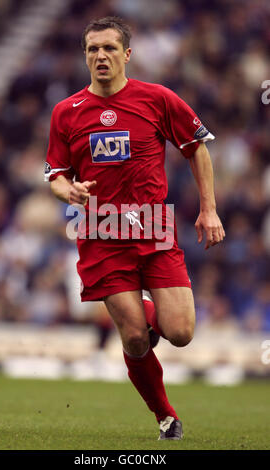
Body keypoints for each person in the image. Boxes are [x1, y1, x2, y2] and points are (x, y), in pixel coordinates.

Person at [44, 16, 225, 440]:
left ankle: (147, 317)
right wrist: (68, 192)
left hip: (154, 227)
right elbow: (55, 174)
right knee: (135, 340)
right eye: (92, 49)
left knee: (179, 333)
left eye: (109, 48)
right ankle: (166, 418)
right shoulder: (65, 112)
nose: (100, 56)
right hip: (100, 232)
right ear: (85, 56)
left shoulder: (158, 99)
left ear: (127, 54)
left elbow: (195, 148)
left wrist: (209, 209)